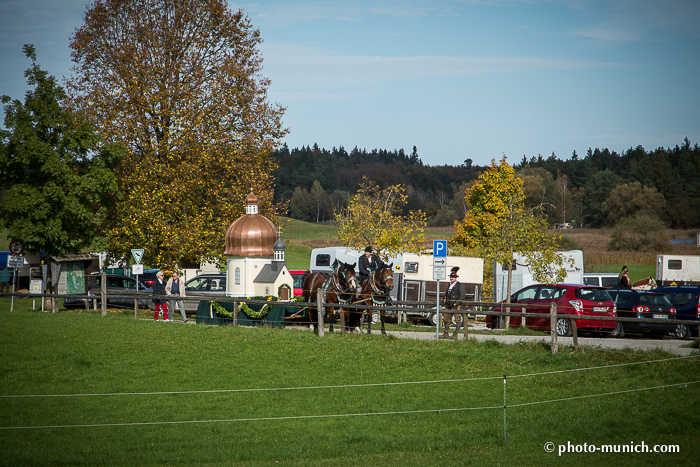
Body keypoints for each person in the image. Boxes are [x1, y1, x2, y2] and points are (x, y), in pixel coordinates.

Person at [442, 267, 464, 339]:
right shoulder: (449, 285)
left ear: (456, 278)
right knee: (446, 318)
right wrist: (444, 300)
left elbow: (462, 296)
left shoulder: (459, 285)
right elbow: (446, 293)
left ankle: (456, 333)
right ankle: (446, 332)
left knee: (457, 319)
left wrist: (456, 303)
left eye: (453, 277)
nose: (452, 278)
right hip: (448, 304)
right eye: (451, 277)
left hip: (455, 305)